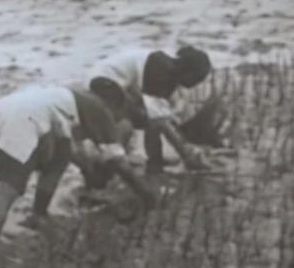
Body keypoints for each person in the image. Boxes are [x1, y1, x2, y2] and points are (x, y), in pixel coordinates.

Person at [0, 84, 157, 253]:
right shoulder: (101, 109)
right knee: (10, 188)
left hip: (5, 108)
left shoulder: (74, 101)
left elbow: (73, 151)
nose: (117, 122)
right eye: (119, 117)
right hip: (24, 120)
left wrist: (88, 171)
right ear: (114, 106)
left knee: (61, 154)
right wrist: (147, 195)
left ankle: (38, 214)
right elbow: (118, 162)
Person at [87, 46, 224, 175]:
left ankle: (154, 161)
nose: (196, 84)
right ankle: (111, 163)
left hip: (115, 84)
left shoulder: (170, 73)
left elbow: (155, 119)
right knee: (128, 122)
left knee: (150, 119)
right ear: (188, 71)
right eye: (197, 78)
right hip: (102, 82)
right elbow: (160, 121)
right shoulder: (160, 67)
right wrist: (186, 153)